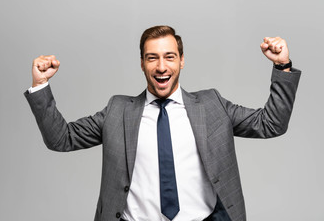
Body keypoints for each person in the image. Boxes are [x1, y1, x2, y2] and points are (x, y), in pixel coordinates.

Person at [25, 25, 301, 221]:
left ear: (181, 61)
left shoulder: (212, 105)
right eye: (152, 58)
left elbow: (271, 124)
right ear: (142, 64)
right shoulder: (117, 110)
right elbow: (61, 139)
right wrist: (40, 86)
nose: (161, 66)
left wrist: (282, 66)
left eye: (169, 57)